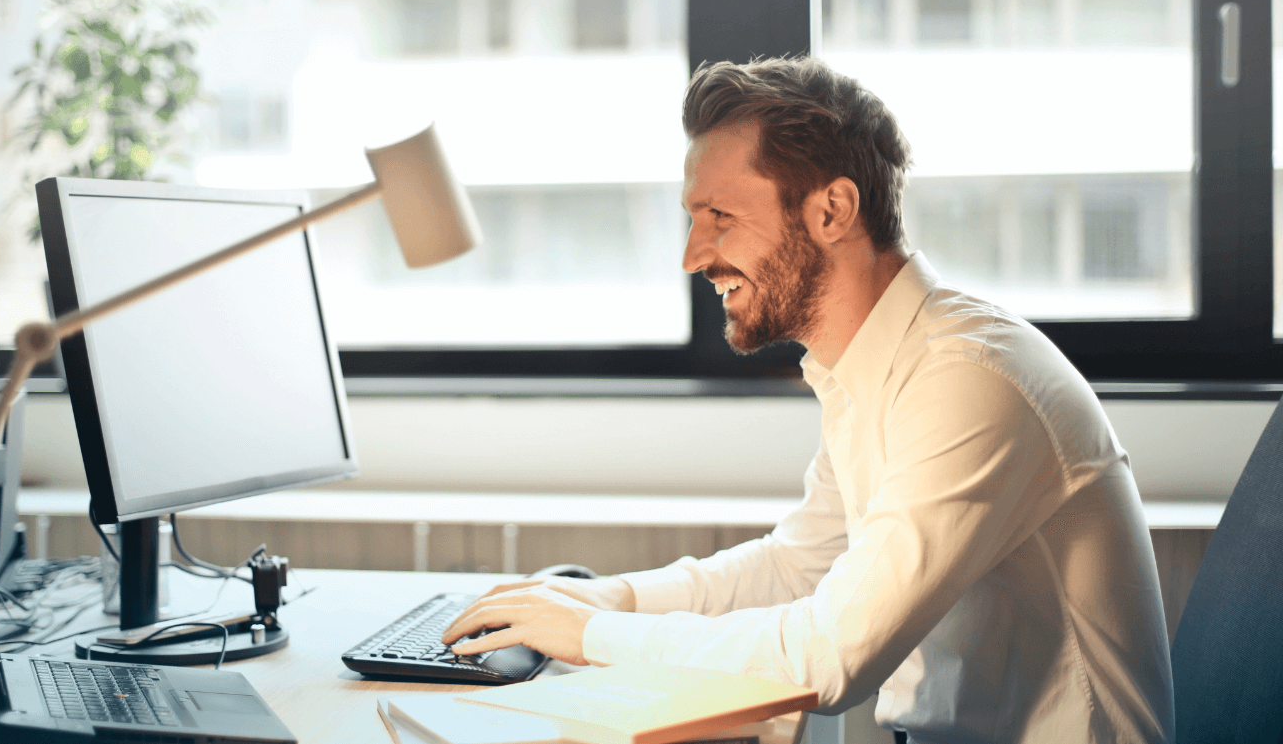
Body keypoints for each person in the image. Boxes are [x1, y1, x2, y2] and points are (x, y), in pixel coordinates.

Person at [441, 57, 1175, 744]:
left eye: (719, 216)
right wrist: (607, 601)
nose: (694, 256)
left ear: (833, 211)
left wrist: (589, 637)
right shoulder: (875, 368)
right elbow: (798, 566)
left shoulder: (970, 381)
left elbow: (828, 657)